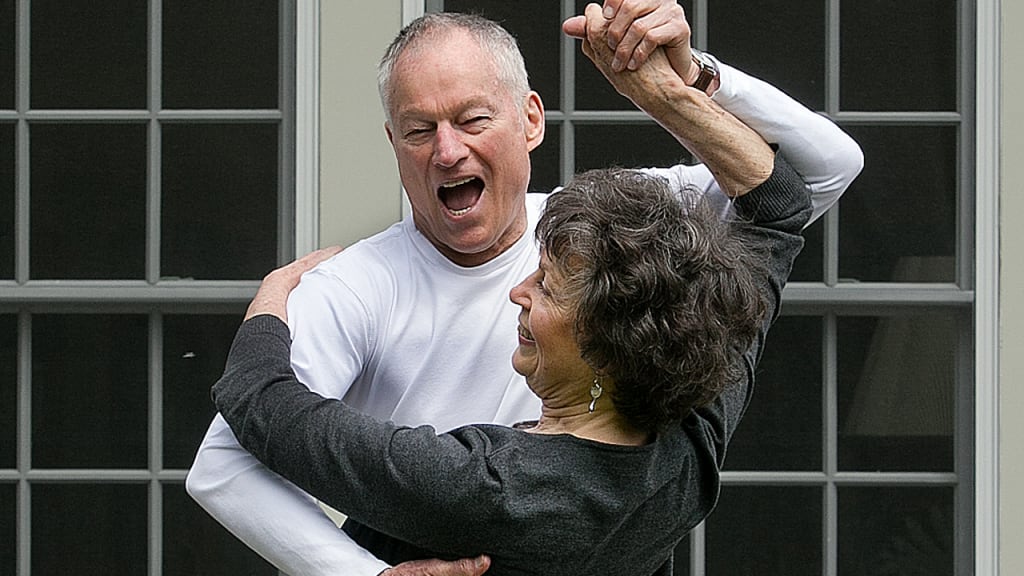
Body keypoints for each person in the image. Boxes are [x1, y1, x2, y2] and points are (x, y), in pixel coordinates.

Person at [187, 3, 863, 575]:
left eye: (472, 120)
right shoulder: (688, 445)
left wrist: (267, 315)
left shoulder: (610, 242)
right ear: (393, 142)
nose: (446, 151)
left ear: (531, 119)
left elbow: (829, 168)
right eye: (420, 130)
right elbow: (780, 203)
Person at [211, 151, 812, 575]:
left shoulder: (490, 487)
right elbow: (778, 204)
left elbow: (257, 398)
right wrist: (669, 82)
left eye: (547, 287)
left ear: (605, 345)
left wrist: (272, 297)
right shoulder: (690, 446)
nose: (518, 291)